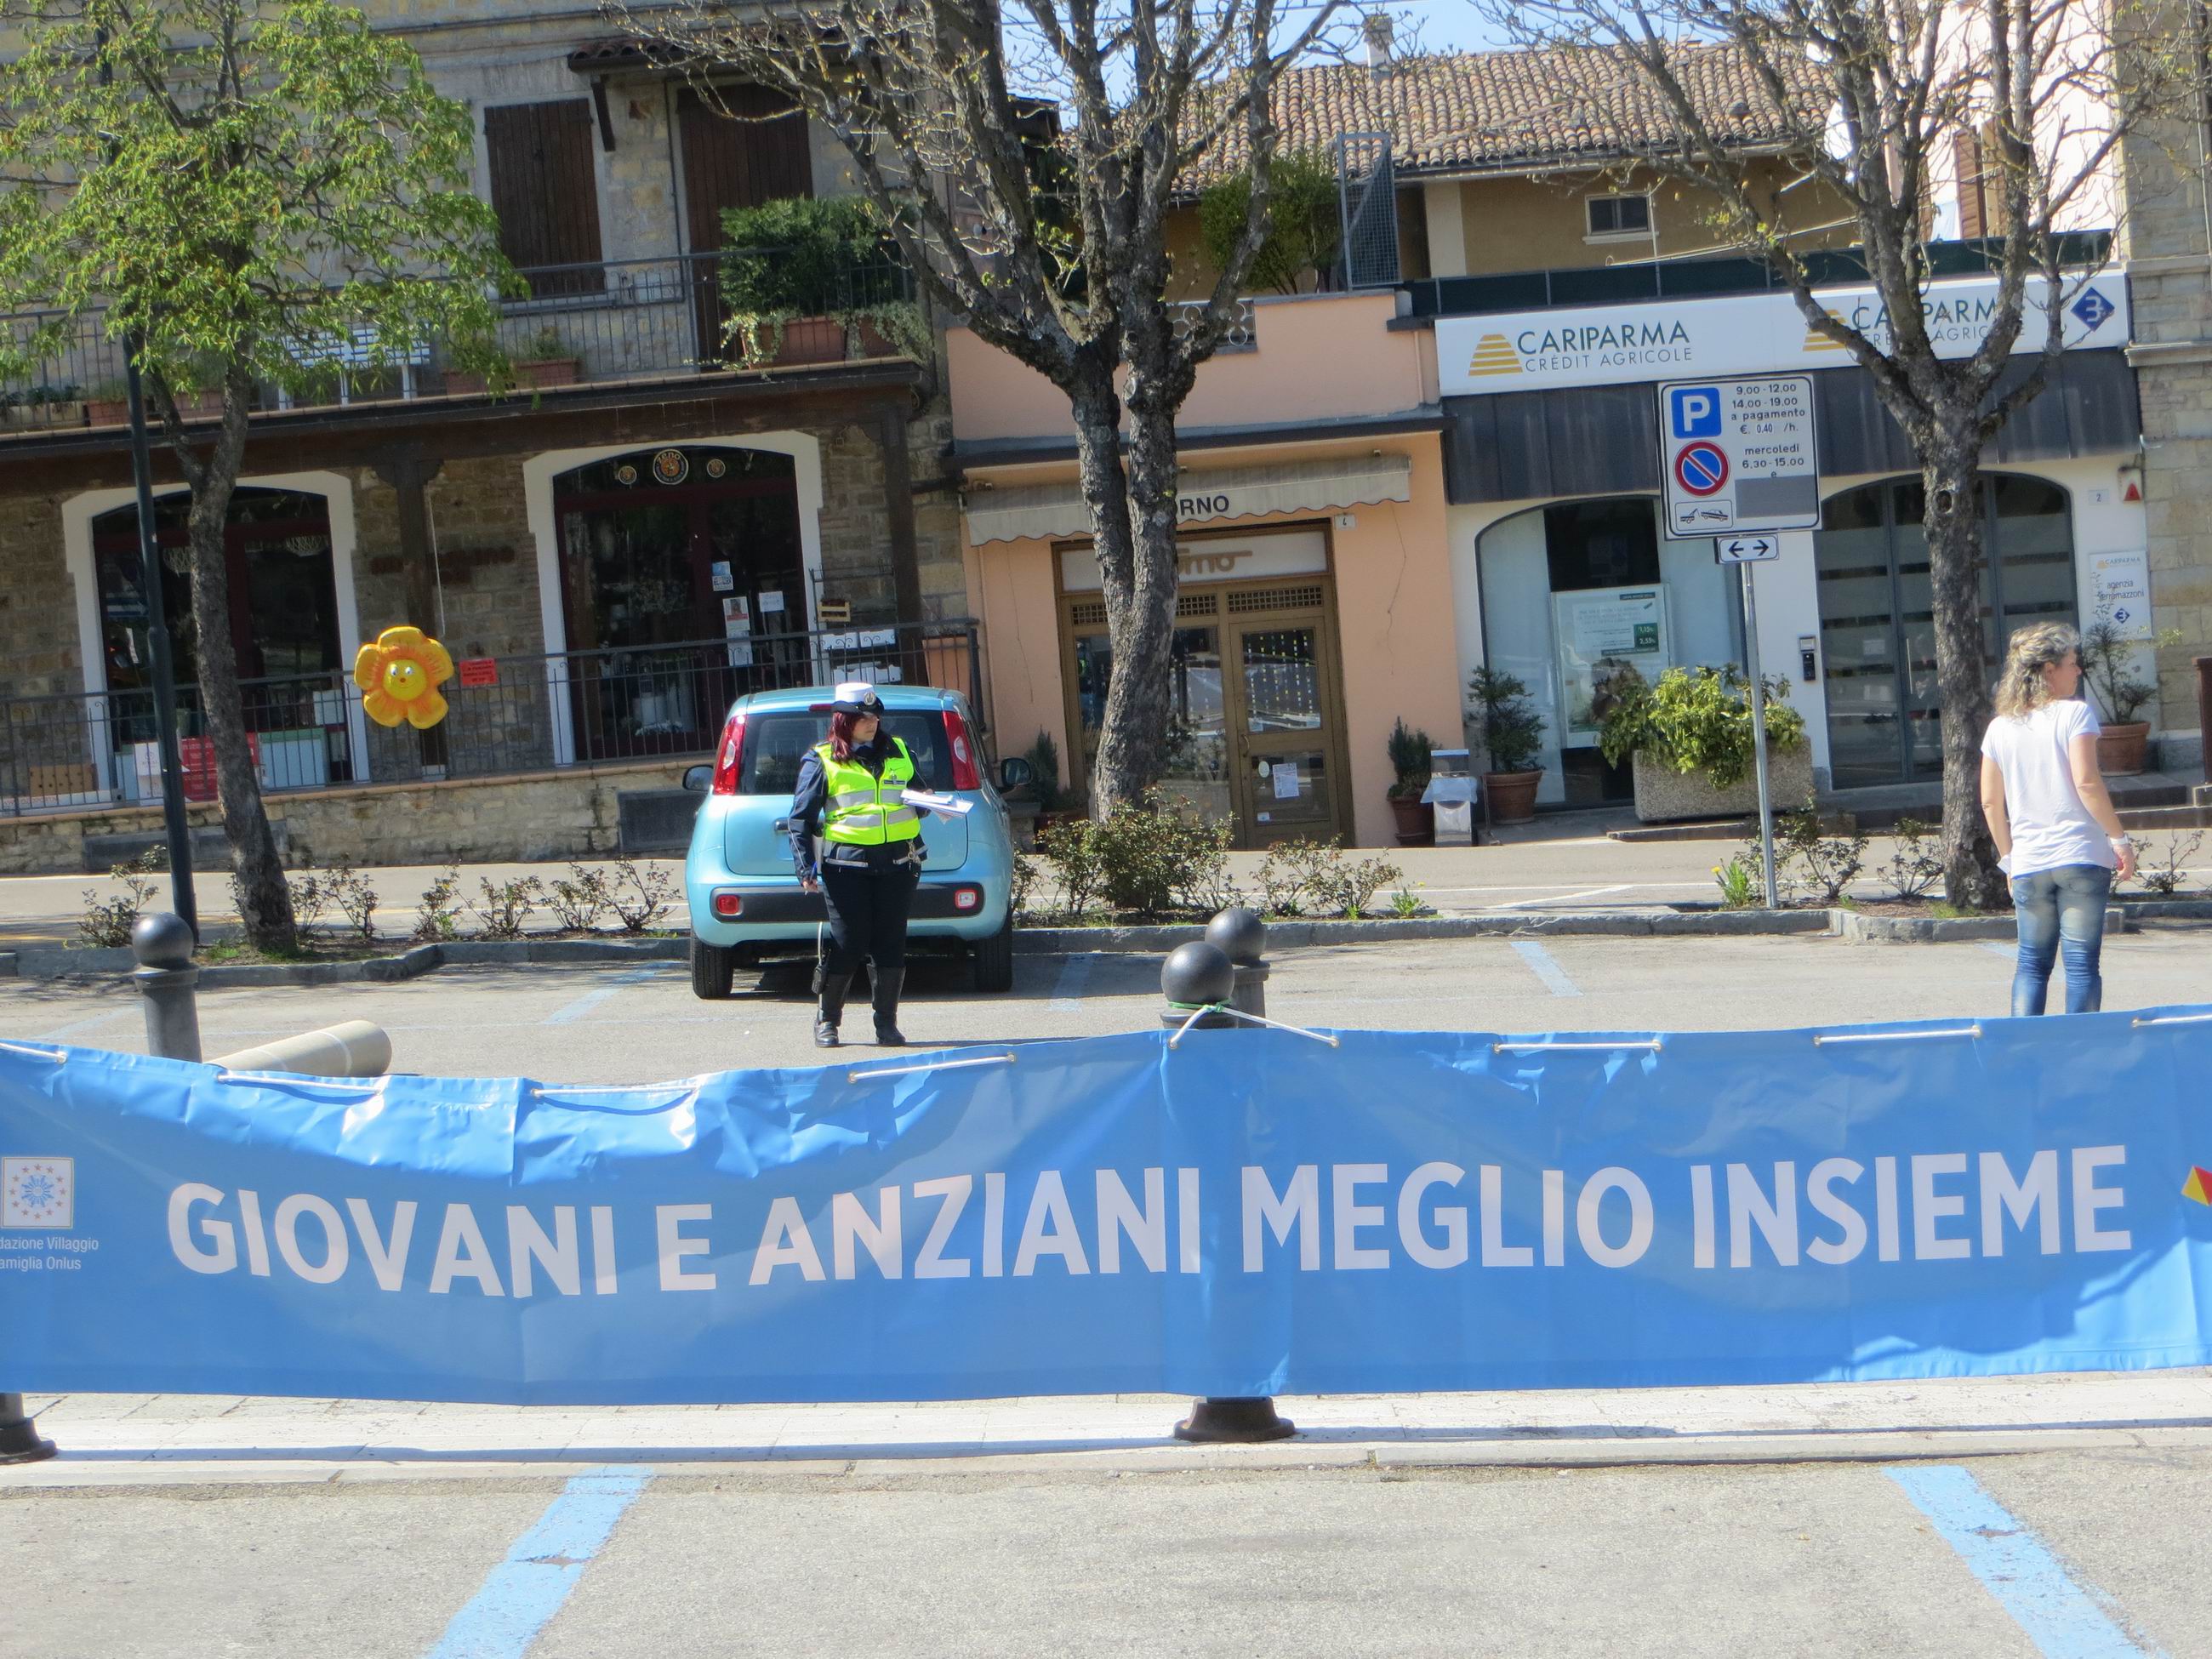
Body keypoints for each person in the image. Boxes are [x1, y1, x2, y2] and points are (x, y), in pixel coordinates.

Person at [1979, 623, 2137, 1017]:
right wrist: (2119, 840)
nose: (2078, 670)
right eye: (2072, 663)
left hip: (2029, 861)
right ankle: (2078, 1046)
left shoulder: (2000, 727)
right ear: (2049, 670)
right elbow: (2087, 782)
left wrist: (2009, 860)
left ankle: (2023, 1045)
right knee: (2081, 965)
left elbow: (1990, 803)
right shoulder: (2075, 714)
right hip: (2080, 854)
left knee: (2031, 965)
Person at [789, 684, 923, 1047]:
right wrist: (805, 868)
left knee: (891, 943)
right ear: (842, 720)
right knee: (849, 942)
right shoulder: (822, 759)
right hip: (846, 866)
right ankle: (827, 1020)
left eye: (875, 715)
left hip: (899, 862)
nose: (871, 722)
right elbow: (800, 819)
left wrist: (930, 802)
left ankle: (886, 1025)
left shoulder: (899, 751)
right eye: (862, 717)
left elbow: (919, 797)